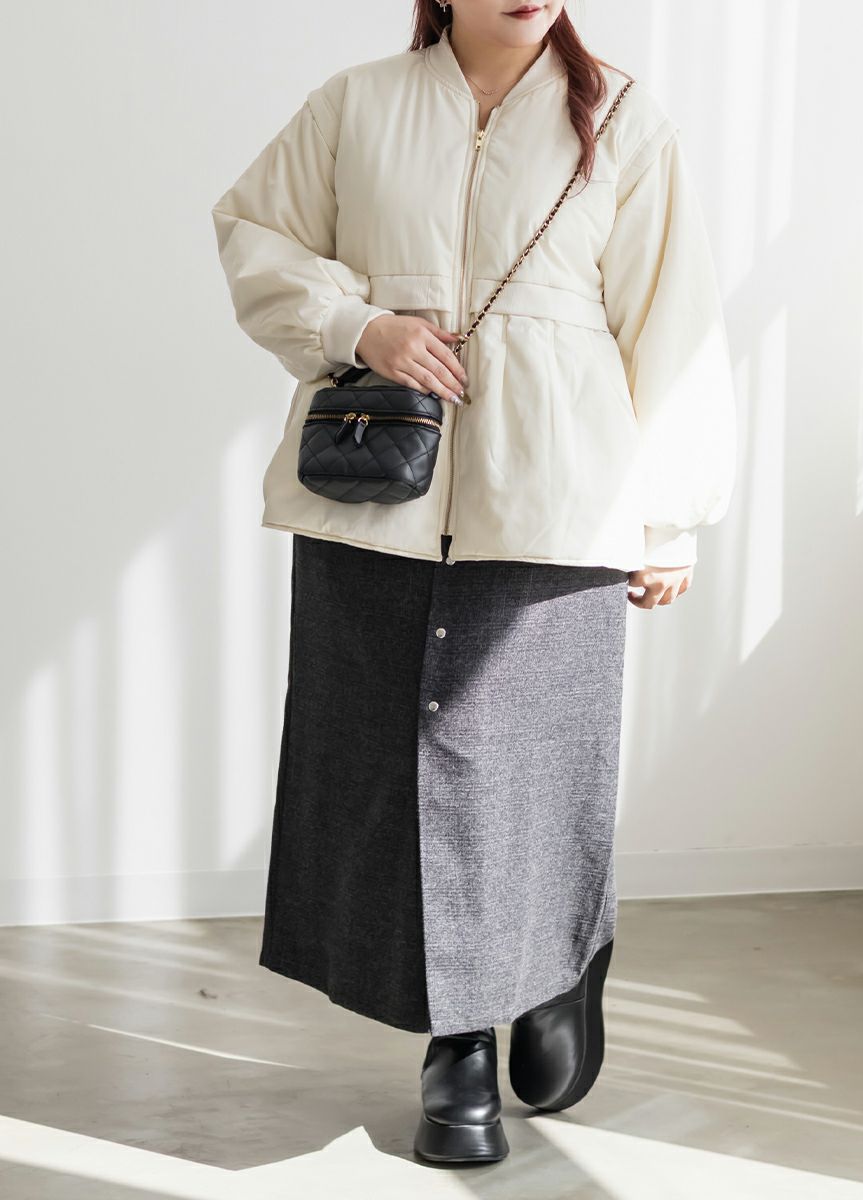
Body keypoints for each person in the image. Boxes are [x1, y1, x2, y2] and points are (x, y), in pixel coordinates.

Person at [211, 0, 737, 1167]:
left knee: (530, 774)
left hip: (555, 500)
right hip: (377, 496)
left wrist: (668, 518)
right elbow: (253, 229)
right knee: (392, 777)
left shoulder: (625, 119)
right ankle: (458, 1041)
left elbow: (673, 317)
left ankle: (552, 964)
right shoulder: (356, 104)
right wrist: (359, 325)